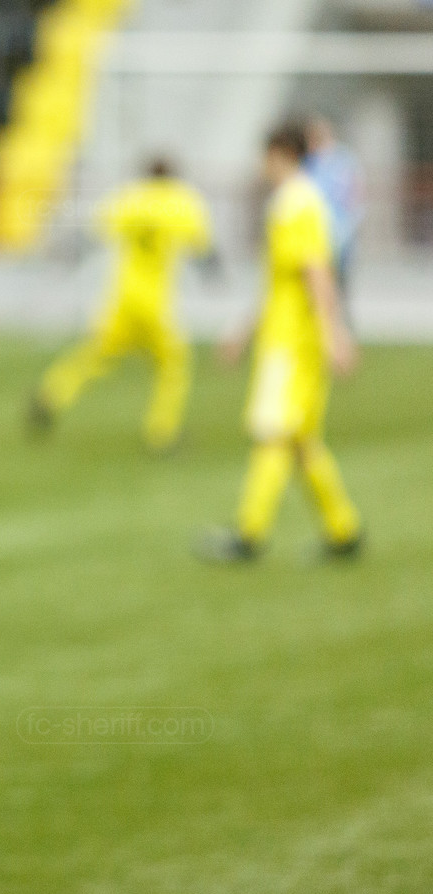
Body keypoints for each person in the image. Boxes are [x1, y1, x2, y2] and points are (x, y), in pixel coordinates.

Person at [197, 124, 363, 563]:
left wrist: (334, 333)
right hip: (289, 338)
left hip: (290, 345)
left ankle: (249, 534)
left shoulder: (295, 204)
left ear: (279, 154)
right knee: (301, 440)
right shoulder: (301, 202)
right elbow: (282, 283)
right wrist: (243, 332)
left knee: (271, 433)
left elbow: (316, 272)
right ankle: (343, 530)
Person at [29, 157, 214, 453]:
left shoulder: (131, 198)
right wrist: (213, 274)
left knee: (94, 355)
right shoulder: (181, 203)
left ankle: (51, 394)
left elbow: (94, 232)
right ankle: (162, 432)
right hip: (155, 304)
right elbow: (203, 249)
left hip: (123, 300)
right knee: (174, 366)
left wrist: (64, 257)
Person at [304, 115, 365, 305]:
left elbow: (354, 199)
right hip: (314, 236)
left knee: (338, 290)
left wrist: (346, 230)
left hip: (339, 234)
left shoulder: (343, 161)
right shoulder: (308, 162)